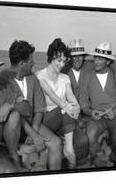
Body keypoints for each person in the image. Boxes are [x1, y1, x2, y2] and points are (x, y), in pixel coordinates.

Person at [0, 40, 62, 170]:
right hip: (11, 128)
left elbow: (39, 109)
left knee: (56, 143)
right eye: (31, 59)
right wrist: (33, 134)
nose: (33, 62)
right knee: (14, 115)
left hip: (31, 124)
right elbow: (13, 112)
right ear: (22, 63)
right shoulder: (2, 80)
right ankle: (14, 158)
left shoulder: (32, 78)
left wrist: (36, 129)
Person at [61, 39, 116, 166]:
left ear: (84, 56)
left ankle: (102, 162)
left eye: (80, 55)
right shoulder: (64, 70)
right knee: (85, 137)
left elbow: (110, 62)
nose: (77, 59)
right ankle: (86, 163)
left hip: (89, 112)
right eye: (74, 56)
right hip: (73, 112)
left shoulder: (91, 64)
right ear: (69, 58)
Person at [79, 42, 116, 166]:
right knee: (91, 135)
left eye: (100, 58)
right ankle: (97, 164)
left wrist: (115, 112)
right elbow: (84, 103)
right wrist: (91, 112)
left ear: (108, 62)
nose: (96, 61)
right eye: (95, 57)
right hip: (97, 115)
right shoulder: (86, 76)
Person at [36, 38, 80, 169]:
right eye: (58, 60)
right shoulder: (40, 75)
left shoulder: (65, 78)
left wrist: (76, 107)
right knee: (64, 110)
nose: (61, 64)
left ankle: (69, 152)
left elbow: (70, 94)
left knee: (80, 136)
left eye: (64, 61)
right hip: (46, 119)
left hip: (63, 117)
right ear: (51, 58)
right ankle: (69, 150)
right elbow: (50, 93)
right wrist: (66, 106)